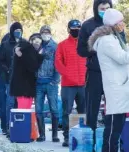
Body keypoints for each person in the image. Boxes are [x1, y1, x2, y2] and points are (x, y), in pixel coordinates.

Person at [88, 9, 129, 152]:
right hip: (115, 88)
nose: (122, 24)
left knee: (118, 125)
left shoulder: (114, 38)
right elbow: (123, 58)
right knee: (113, 127)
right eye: (120, 22)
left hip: (120, 86)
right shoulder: (106, 41)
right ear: (113, 24)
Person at [77, 0, 112, 145]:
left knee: (113, 109)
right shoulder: (87, 25)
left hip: (112, 73)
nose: (104, 10)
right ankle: (89, 143)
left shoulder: (115, 23)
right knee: (92, 108)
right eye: (101, 8)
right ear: (96, 8)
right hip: (94, 72)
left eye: (107, 8)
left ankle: (110, 142)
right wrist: (95, 47)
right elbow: (81, 50)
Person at [55, 20, 86, 147]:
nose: (76, 30)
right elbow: (58, 62)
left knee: (82, 111)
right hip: (68, 85)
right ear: (68, 29)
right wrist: (67, 73)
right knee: (66, 111)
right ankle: (67, 137)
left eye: (78, 28)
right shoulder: (62, 45)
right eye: (73, 28)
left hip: (83, 83)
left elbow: (91, 60)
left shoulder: (85, 44)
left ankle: (81, 136)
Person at [0, 22, 24, 137]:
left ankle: (21, 126)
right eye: (16, 30)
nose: (18, 32)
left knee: (21, 104)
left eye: (20, 30)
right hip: (10, 79)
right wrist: (7, 69)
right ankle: (9, 126)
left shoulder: (25, 43)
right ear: (12, 32)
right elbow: (0, 60)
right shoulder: (5, 45)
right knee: (10, 103)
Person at [35, 25, 60, 142]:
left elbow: (58, 65)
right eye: (43, 32)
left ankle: (55, 135)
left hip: (51, 83)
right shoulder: (36, 46)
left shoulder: (55, 47)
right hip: (38, 84)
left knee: (54, 108)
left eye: (47, 32)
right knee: (38, 109)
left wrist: (54, 81)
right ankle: (42, 135)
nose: (45, 34)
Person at [10, 33, 44, 109]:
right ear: (31, 41)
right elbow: (33, 66)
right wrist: (40, 56)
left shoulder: (29, 50)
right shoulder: (27, 50)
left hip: (26, 86)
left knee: (26, 110)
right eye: (36, 41)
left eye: (39, 42)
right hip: (23, 86)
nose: (37, 44)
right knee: (23, 110)